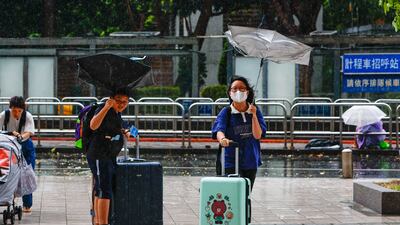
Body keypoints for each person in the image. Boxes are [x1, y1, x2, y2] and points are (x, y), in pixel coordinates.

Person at [212, 77, 267, 190]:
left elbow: (258, 135)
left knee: (246, 194)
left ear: (247, 92)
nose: (238, 92)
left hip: (250, 160)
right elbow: (219, 130)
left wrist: (254, 116)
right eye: (234, 89)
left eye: (242, 89)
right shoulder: (226, 112)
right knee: (232, 194)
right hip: (230, 161)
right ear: (229, 93)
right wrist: (222, 139)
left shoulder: (255, 110)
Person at [86, 88, 130, 225]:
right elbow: (93, 125)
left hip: (109, 155)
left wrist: (124, 131)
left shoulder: (117, 113)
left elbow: (111, 128)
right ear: (112, 99)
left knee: (103, 187)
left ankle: (99, 221)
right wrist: (106, 106)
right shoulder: (104, 108)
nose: (121, 104)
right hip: (99, 154)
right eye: (118, 101)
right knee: (104, 189)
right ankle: (102, 222)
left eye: (125, 101)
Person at [0, 96, 36, 212]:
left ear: (23, 110)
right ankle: (9, 199)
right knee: (8, 172)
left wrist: (19, 136)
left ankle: (27, 204)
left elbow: (28, 133)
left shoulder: (28, 116)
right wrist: (10, 133)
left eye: (19, 111)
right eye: (14, 110)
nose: (16, 113)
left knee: (27, 174)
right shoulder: (3, 115)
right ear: (10, 108)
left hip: (25, 147)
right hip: (8, 147)